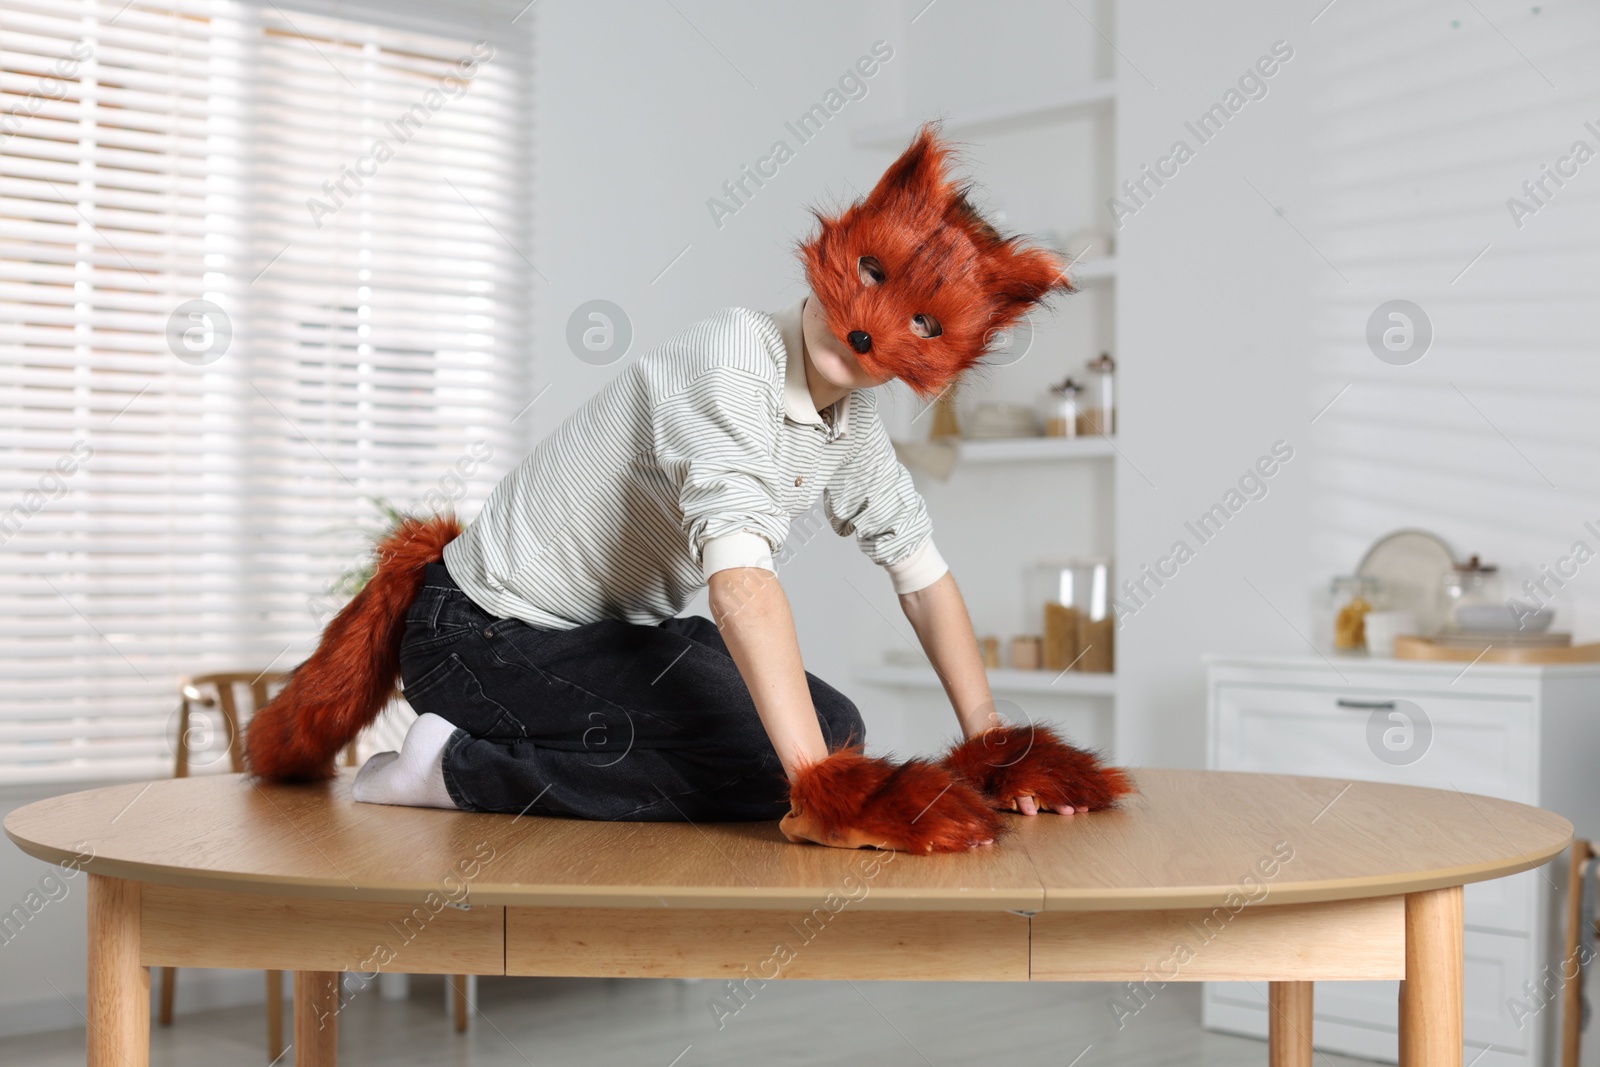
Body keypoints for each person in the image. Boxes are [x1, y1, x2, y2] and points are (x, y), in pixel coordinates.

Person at [245, 127, 1132, 853]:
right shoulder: (732, 358)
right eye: (872, 275)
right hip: (481, 633)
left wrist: (988, 740)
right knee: (778, 758)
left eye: (923, 322)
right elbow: (739, 584)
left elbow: (920, 571)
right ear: (849, 238)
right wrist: (818, 794)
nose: (868, 329)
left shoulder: (851, 423)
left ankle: (487, 756)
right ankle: (453, 765)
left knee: (836, 722)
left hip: (611, 636)